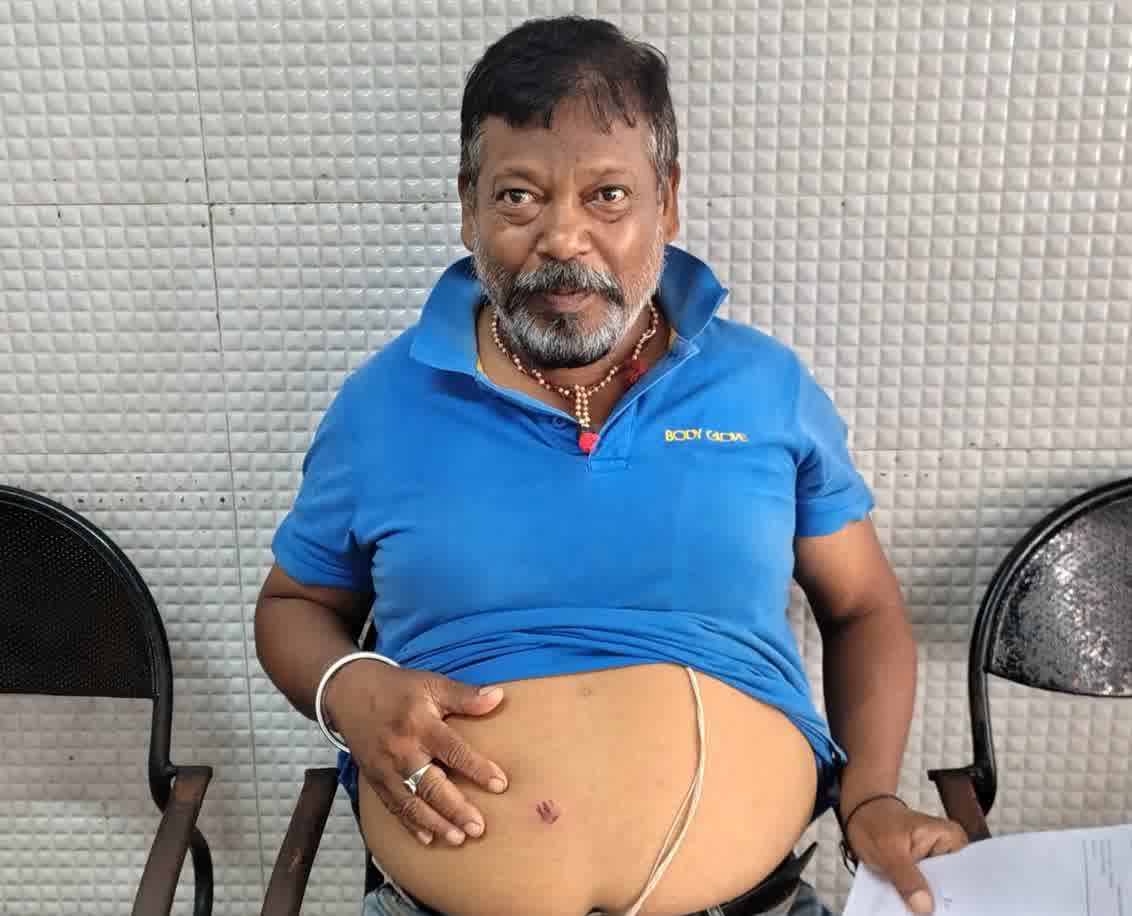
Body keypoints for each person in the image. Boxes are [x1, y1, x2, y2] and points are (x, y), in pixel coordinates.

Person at [255, 15, 967, 916]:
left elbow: (862, 606)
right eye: (519, 197)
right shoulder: (380, 408)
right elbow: (293, 606)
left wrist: (869, 797)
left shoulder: (764, 389)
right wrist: (347, 688)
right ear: (469, 205)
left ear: (666, 202)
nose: (563, 237)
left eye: (607, 196)